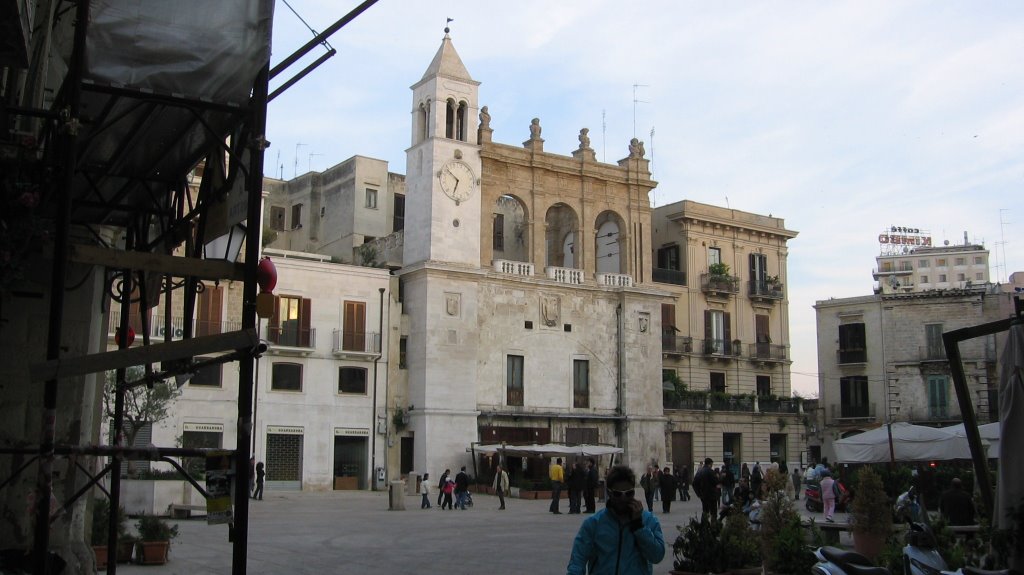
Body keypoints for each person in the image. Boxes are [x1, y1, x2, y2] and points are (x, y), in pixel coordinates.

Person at [566, 465, 665, 575]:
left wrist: (639, 527)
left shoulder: (648, 520)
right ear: (609, 493)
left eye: (629, 493)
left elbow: (657, 556)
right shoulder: (593, 523)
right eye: (618, 494)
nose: (624, 498)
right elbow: (577, 561)